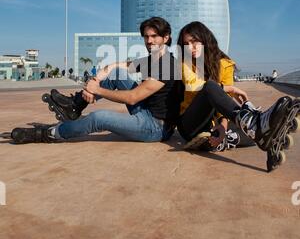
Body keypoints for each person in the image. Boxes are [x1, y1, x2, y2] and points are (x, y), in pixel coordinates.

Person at [10, 17, 181, 145]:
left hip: (155, 127)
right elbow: (115, 66)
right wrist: (95, 81)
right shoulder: (151, 60)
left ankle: (50, 133)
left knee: (99, 118)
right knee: (116, 74)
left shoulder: (168, 65)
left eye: (155, 36)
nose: (149, 41)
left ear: (166, 38)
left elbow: (132, 98)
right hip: (146, 111)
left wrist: (97, 90)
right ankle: (75, 104)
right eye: (146, 37)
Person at [175, 21, 295, 171]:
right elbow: (193, 85)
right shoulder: (184, 62)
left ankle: (260, 136)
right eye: (186, 43)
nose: (190, 47)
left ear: (205, 39)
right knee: (210, 86)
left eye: (194, 41)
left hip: (211, 124)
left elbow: (221, 105)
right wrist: (228, 87)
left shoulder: (225, 64)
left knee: (252, 136)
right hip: (190, 124)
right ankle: (253, 124)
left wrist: (223, 127)